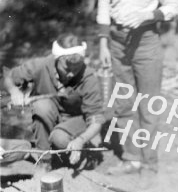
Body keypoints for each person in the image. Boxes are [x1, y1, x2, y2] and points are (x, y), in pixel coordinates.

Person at [97, 0, 178, 175]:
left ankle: (149, 163)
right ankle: (132, 159)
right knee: (124, 103)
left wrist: (148, 15)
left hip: (147, 41)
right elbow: (103, 9)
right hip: (117, 42)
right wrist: (103, 45)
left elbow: (174, 8)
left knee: (148, 106)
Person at [4, 33, 105, 168]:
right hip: (50, 114)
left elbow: (96, 120)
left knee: (59, 138)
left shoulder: (89, 77)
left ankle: (83, 155)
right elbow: (9, 77)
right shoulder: (41, 65)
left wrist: (81, 140)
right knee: (41, 107)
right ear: (57, 59)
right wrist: (14, 91)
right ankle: (44, 159)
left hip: (76, 120)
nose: (72, 74)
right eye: (67, 68)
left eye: (77, 69)